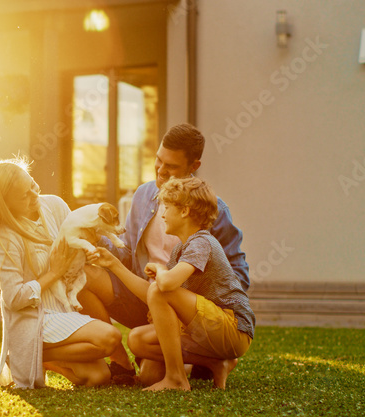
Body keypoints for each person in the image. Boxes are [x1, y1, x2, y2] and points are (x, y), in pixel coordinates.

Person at [78, 123, 249, 382]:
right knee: (84, 276)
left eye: (171, 166)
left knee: (149, 377)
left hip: (185, 307)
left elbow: (237, 274)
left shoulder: (213, 211)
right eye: (158, 160)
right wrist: (99, 238)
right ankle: (121, 364)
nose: (160, 169)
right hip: (144, 296)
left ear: (193, 166)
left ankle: (203, 357)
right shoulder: (143, 196)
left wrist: (183, 307)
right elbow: (126, 252)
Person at [0, 158, 130, 389]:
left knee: (99, 377)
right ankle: (23, 349)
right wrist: (54, 273)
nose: (34, 196)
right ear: (5, 205)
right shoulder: (7, 237)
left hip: (63, 307)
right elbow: (14, 299)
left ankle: (38, 358)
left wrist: (89, 244)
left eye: (33, 186)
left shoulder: (55, 206)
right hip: (34, 317)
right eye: (24, 196)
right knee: (110, 337)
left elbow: (77, 238)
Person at [94, 177, 254, 390]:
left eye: (167, 208)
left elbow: (165, 286)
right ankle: (215, 362)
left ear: (184, 211)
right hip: (207, 328)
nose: (162, 214)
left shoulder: (202, 242)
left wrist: (160, 270)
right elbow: (152, 291)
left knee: (161, 291)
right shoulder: (181, 250)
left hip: (233, 327)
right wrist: (114, 265)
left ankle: (176, 378)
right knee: (137, 340)